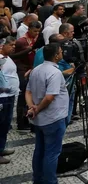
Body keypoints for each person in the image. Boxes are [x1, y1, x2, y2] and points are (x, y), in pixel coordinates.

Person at [26, 43, 69, 184]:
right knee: (52, 153)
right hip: (53, 118)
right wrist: (36, 109)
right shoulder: (55, 73)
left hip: (40, 120)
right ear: (56, 55)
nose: (62, 53)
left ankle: (37, 179)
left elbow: (28, 91)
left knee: (40, 150)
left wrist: (31, 107)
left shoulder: (36, 70)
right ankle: (50, 181)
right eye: (61, 51)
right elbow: (50, 97)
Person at [10, 20, 41, 130]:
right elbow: (13, 56)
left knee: (31, 97)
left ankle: (30, 119)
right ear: (29, 30)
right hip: (23, 71)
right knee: (23, 97)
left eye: (38, 31)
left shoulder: (36, 39)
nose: (36, 33)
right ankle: (21, 122)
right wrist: (28, 50)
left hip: (32, 70)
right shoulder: (21, 41)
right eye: (34, 31)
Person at [0, 36, 18, 164]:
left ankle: (1, 148)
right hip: (2, 98)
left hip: (9, 97)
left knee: (5, 124)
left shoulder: (7, 58)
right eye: (11, 45)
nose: (14, 47)